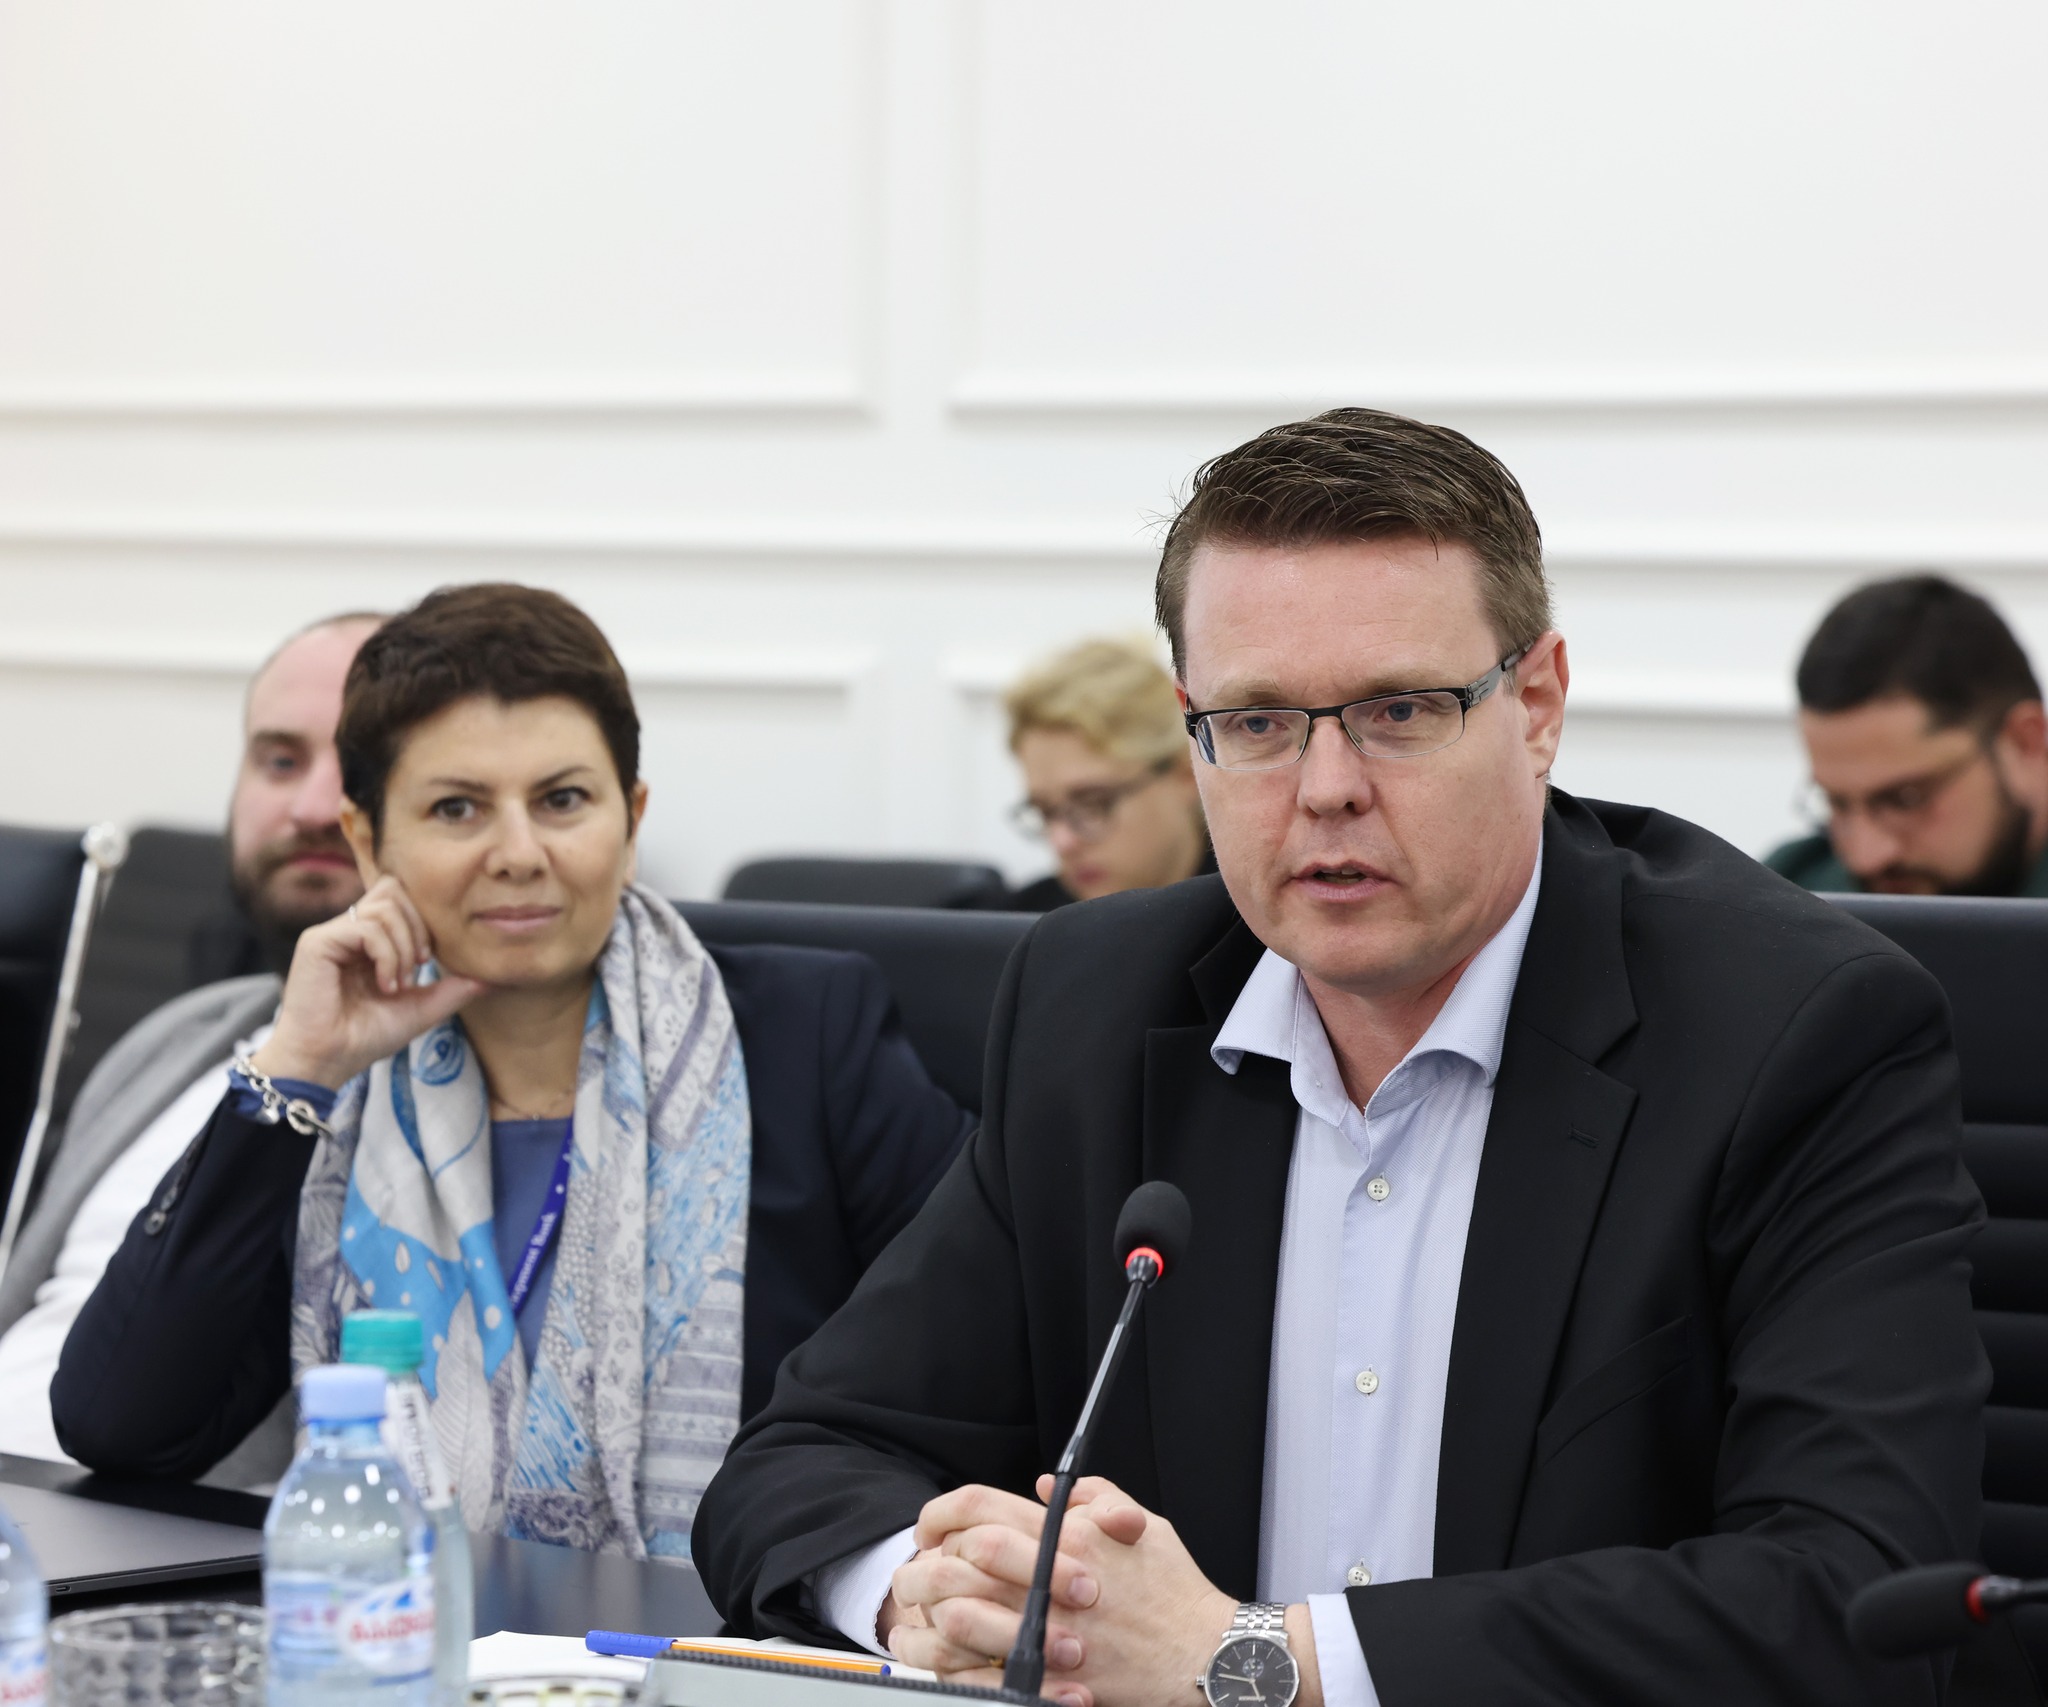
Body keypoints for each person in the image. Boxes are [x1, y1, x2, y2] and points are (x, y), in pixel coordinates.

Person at [693, 409, 1985, 1707]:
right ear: (1191, 728)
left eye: (1398, 710)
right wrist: (925, 1595)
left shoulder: (1792, 1032)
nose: (1323, 787)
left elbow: (1849, 1594)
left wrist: (1255, 1659)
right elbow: (806, 1457)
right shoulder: (1091, 1008)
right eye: (1257, 721)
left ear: (1536, 705)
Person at [53, 583, 973, 1559]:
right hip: (397, 1622)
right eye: (457, 808)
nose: (520, 854)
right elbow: (123, 1426)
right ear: (368, 841)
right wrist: (300, 1067)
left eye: (562, 800)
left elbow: (985, 1370)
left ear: (631, 819)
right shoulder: (342, 1102)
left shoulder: (806, 1034)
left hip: (722, 1626)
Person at [0, 612, 381, 1468]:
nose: (313, 805)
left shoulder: (446, 1083)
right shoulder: (181, 1034)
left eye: (360, 767)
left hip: (152, 1525)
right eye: (279, 760)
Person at [1766, 572, 2048, 896]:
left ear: (2025, 744)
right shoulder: (1791, 889)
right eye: (1837, 804)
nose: (1865, 858)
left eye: (1906, 799)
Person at [1001, 638, 1212, 910]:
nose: (1063, 842)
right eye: (1045, 812)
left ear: (1186, 774)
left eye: (1093, 803)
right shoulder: (1024, 920)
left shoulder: (1254, 919)